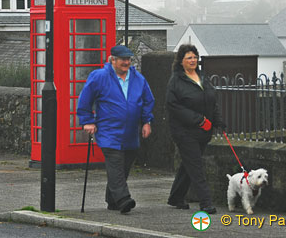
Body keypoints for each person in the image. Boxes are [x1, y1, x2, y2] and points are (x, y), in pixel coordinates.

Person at [77, 45, 154, 214]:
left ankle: (112, 200)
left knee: (124, 166)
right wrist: (87, 121)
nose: (126, 62)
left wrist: (147, 121)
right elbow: (85, 100)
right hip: (108, 130)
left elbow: (148, 100)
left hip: (131, 132)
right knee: (116, 163)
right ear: (113, 60)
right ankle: (123, 199)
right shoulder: (99, 77)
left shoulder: (138, 78)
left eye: (128, 59)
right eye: (122, 59)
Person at [165, 43, 225, 214]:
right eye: (188, 57)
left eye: (194, 57)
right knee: (196, 166)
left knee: (188, 164)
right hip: (184, 132)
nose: (192, 60)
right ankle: (206, 202)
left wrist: (218, 121)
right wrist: (199, 120)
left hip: (204, 131)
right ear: (181, 61)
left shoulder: (202, 76)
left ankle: (176, 197)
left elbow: (212, 100)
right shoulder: (175, 81)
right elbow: (173, 106)